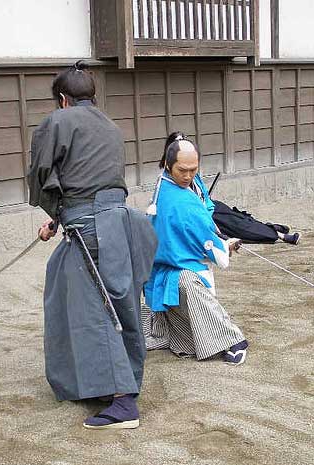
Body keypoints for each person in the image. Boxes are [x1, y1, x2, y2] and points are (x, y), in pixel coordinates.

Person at [28, 61, 157, 429]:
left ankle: (123, 402)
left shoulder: (57, 122)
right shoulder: (111, 126)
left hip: (90, 228)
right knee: (119, 302)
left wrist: (57, 212)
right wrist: (59, 219)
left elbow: (42, 174)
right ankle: (118, 382)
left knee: (94, 310)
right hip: (118, 222)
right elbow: (93, 182)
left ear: (63, 100)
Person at [143, 137, 248, 365]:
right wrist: (224, 247)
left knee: (185, 283)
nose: (188, 176)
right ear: (168, 165)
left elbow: (202, 224)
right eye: (183, 170)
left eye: (194, 170)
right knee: (185, 284)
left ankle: (229, 338)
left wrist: (220, 239)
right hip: (170, 266)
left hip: (178, 264)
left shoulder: (170, 184)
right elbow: (208, 245)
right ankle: (221, 337)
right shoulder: (172, 194)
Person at [155, 132, 301, 246]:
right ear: (170, 160)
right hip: (205, 217)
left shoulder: (192, 170)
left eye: (192, 169)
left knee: (241, 218)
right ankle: (278, 234)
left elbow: (204, 194)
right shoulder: (167, 185)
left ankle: (272, 227)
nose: (188, 175)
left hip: (211, 207)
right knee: (245, 230)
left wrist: (208, 203)